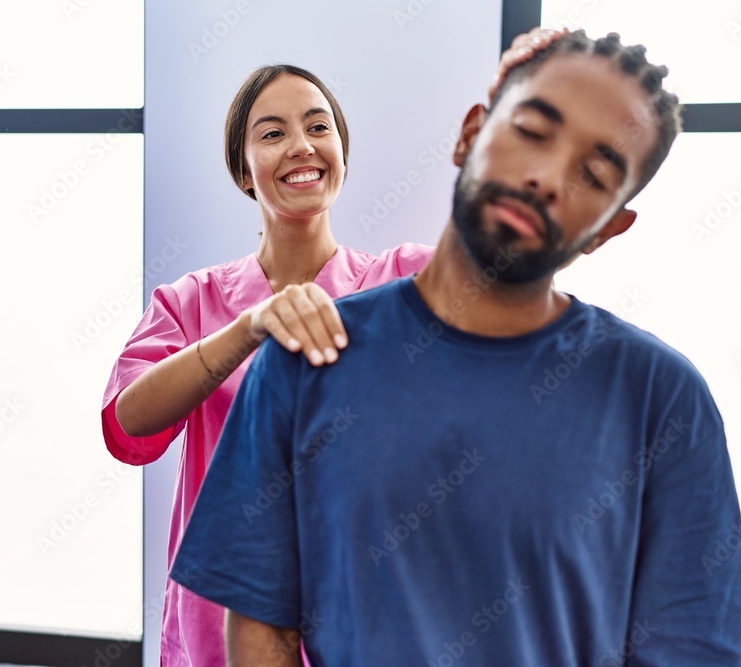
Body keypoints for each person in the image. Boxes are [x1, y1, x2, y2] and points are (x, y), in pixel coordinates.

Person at [171, 29, 741, 666]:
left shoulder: (660, 397)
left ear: (609, 227)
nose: (544, 176)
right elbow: (261, 628)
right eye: (532, 131)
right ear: (470, 135)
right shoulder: (305, 359)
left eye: (592, 174)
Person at [101, 29, 565, 667]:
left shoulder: (403, 280)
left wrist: (532, 111)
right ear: (243, 171)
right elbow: (128, 427)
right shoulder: (190, 302)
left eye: (318, 126)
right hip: (220, 628)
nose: (301, 146)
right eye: (271, 133)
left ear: (341, 151)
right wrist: (250, 327)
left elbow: (504, 280)